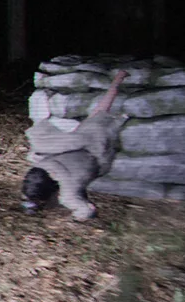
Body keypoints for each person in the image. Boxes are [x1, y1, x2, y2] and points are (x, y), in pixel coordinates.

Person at [22, 69, 130, 221]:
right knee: (100, 112)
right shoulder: (42, 165)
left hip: (97, 152)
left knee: (105, 120)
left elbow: (86, 211)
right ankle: (118, 83)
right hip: (81, 145)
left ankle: (124, 113)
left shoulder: (68, 193)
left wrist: (74, 218)